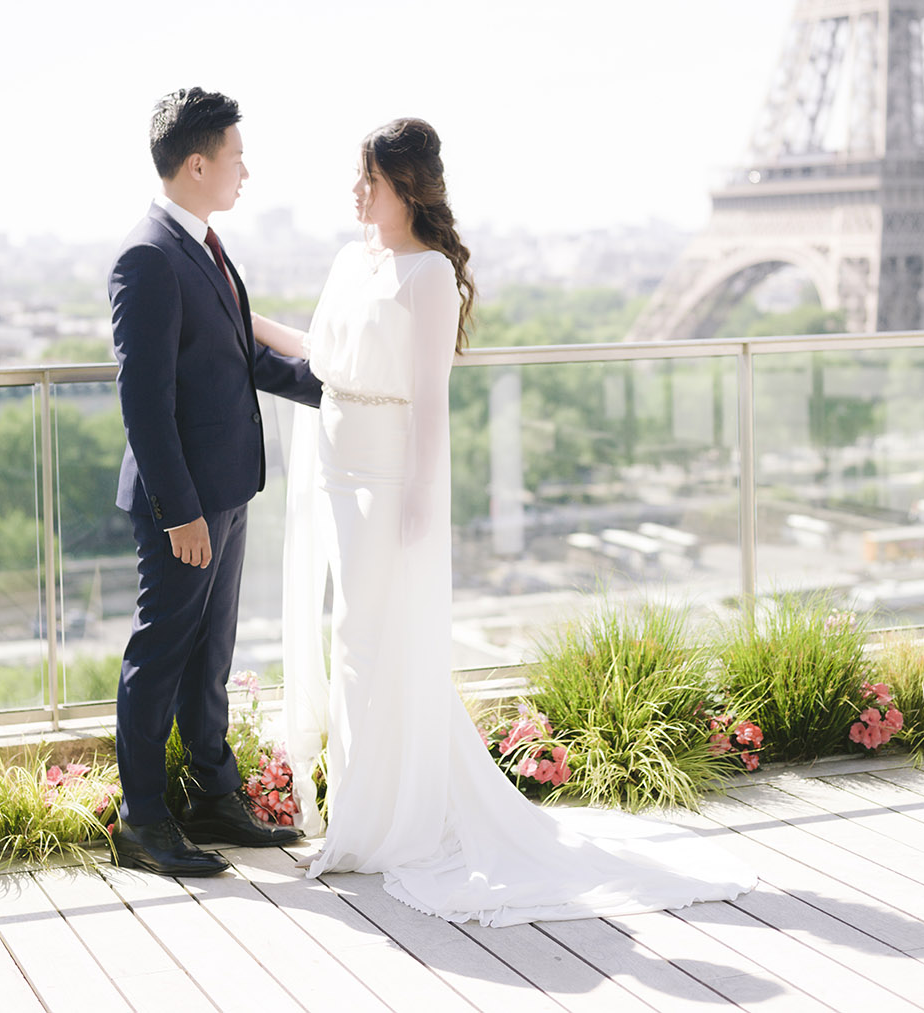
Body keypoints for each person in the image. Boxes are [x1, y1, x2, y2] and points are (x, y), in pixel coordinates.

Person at [252, 117, 756, 925]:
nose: (355, 190)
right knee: (353, 642)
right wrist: (246, 318)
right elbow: (319, 355)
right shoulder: (352, 260)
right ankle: (362, 811)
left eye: (368, 178)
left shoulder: (428, 278)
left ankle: (373, 822)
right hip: (336, 471)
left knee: (367, 644)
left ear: (402, 186)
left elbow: (428, 398)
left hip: (385, 479)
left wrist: (420, 498)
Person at [109, 87, 323, 877]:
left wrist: (347, 393)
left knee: (211, 654)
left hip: (229, 490)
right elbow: (145, 402)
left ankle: (212, 797)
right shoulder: (149, 255)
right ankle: (142, 821)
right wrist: (179, 513)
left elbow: (244, 358)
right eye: (236, 156)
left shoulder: (204, 243)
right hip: (187, 506)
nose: (246, 171)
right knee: (160, 654)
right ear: (197, 163)